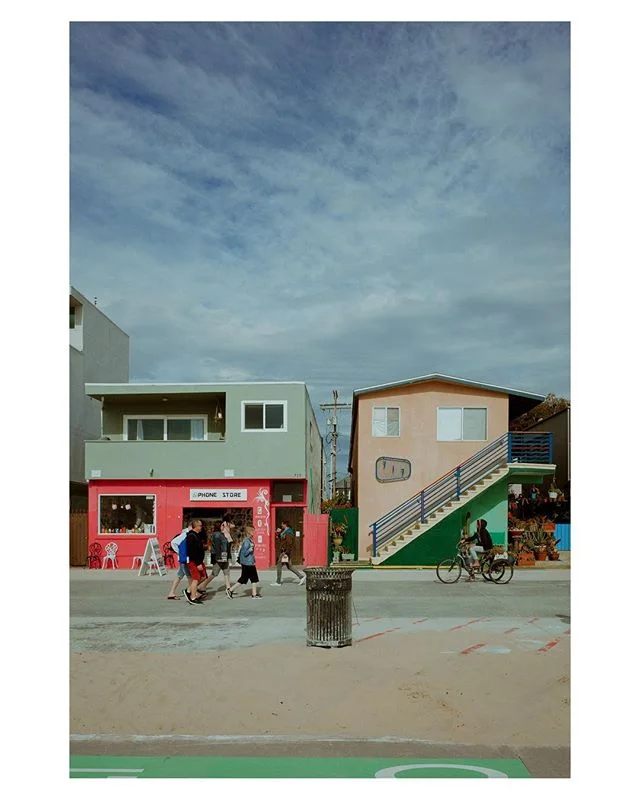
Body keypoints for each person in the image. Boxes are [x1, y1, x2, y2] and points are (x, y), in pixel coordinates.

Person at [197, 521, 232, 595]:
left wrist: (228, 535)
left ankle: (228, 589)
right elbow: (217, 547)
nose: (225, 526)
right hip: (219, 557)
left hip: (224, 556)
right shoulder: (216, 535)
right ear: (220, 526)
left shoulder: (223, 534)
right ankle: (202, 586)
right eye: (224, 525)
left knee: (226, 571)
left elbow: (228, 544)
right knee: (214, 573)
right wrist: (219, 557)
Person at [227, 526, 261, 599]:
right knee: (250, 578)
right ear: (249, 532)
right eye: (253, 531)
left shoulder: (248, 540)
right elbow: (245, 553)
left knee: (248, 578)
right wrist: (250, 549)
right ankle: (231, 590)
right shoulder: (247, 541)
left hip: (248, 562)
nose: (254, 532)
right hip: (248, 563)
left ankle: (254, 594)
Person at [271, 519, 305, 586]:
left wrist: (286, 552)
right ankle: (301, 577)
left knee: (279, 565)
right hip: (285, 551)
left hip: (285, 551)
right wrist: (278, 533)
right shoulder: (285, 532)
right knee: (289, 566)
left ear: (285, 524)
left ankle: (278, 582)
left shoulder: (288, 533)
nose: (281, 525)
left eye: (282, 524)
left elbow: (289, 544)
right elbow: (281, 540)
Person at [183, 519, 207, 605]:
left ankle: (188, 590)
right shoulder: (191, 536)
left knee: (204, 576)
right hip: (194, 561)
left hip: (199, 560)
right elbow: (192, 551)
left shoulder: (197, 535)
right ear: (195, 526)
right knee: (196, 578)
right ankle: (192, 598)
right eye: (200, 526)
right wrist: (198, 563)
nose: (201, 527)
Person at [166, 523, 189, 599]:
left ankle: (171, 592)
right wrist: (179, 552)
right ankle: (191, 593)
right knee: (190, 576)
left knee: (179, 575)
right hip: (184, 559)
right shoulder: (185, 534)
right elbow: (173, 542)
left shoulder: (186, 534)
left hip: (183, 559)